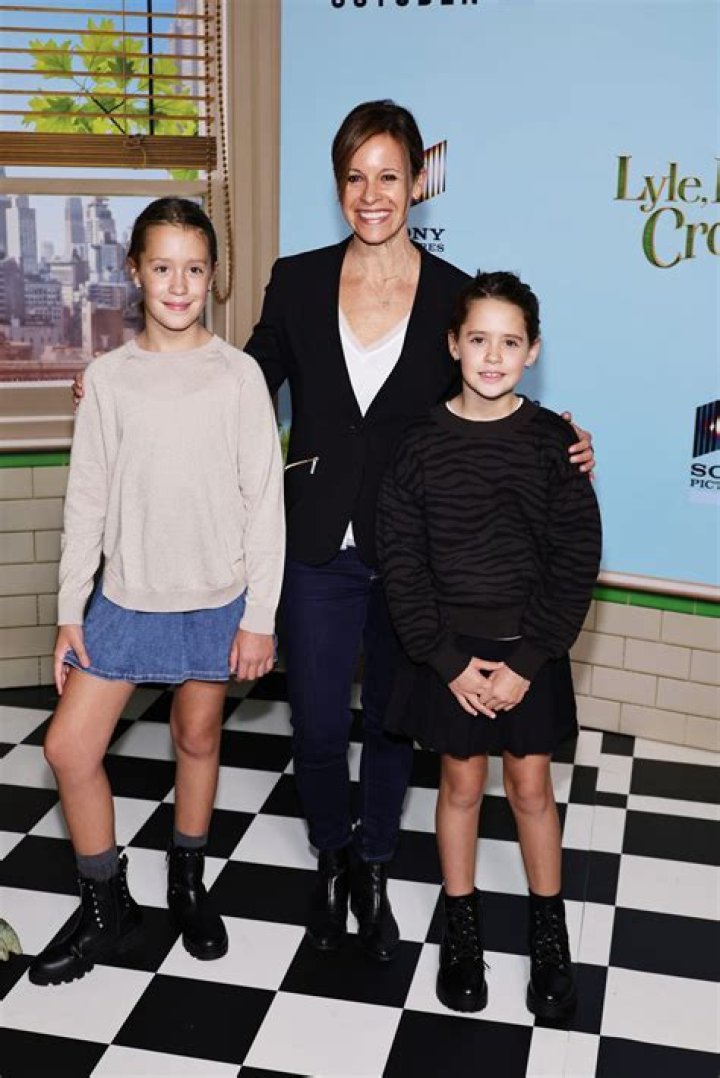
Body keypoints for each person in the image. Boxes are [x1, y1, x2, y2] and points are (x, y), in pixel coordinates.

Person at [74, 101, 595, 963]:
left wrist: (559, 434)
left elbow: (485, 395)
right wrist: (124, 380)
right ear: (339, 184)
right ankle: (329, 857)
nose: (371, 193)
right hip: (313, 541)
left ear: (417, 182)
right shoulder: (298, 279)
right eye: (355, 177)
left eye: (389, 175)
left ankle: (375, 865)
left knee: (390, 724)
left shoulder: (452, 292)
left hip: (416, 550)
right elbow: (241, 378)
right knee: (316, 724)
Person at [29, 198, 285, 987]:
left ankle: (187, 878)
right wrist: (70, 609)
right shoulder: (108, 380)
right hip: (126, 597)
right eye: (163, 266)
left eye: (195, 268)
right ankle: (108, 903)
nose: (179, 284)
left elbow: (264, 502)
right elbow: (86, 501)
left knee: (197, 738)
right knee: (68, 748)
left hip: (217, 597)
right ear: (134, 271)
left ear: (213, 277)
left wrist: (260, 616)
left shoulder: (239, 376)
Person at [376, 271, 601, 1018]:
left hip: (530, 647)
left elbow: (575, 556)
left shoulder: (555, 444)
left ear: (533, 351)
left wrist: (529, 661)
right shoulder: (419, 444)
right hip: (452, 653)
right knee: (461, 786)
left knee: (532, 788)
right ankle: (462, 928)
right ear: (453, 345)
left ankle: (549, 933)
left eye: (510, 342)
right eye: (479, 339)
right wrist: (446, 662)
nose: (494, 356)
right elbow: (402, 561)